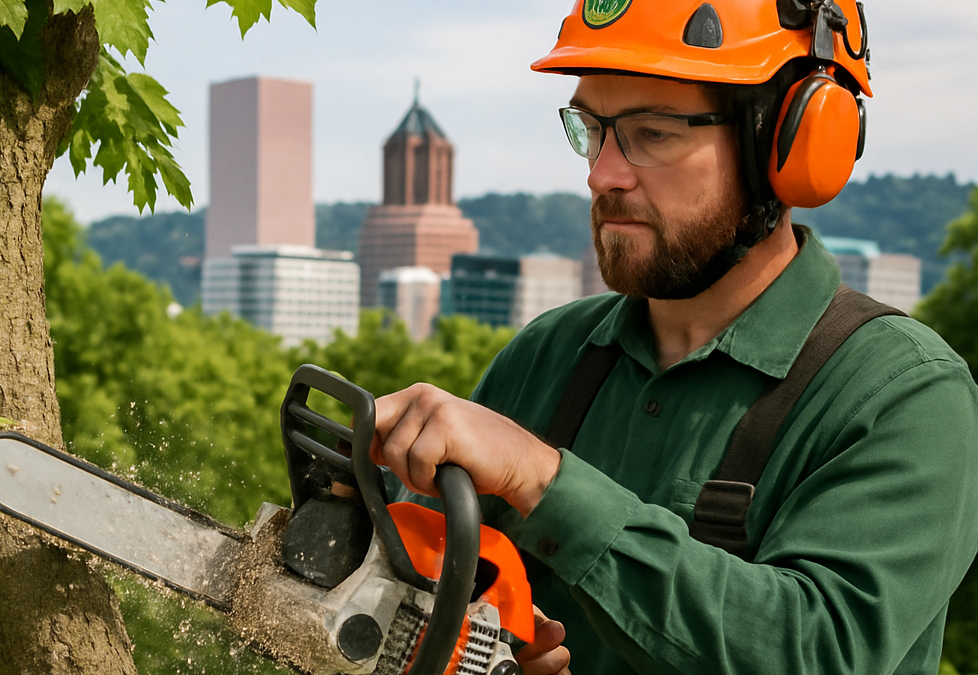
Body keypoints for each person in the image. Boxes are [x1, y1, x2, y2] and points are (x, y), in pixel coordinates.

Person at [370, 1, 978, 673]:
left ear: (789, 142)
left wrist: (542, 478)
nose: (603, 174)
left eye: (651, 133)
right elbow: (419, 586)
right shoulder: (548, 354)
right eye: (592, 129)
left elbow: (820, 649)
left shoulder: (907, 395)